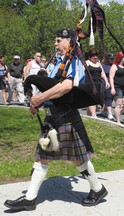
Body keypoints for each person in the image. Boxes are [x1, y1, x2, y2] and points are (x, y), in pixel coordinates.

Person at [4, 28, 108, 211]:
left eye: (58, 40)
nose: (55, 43)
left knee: (77, 159)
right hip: (52, 114)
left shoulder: (74, 61)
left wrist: (40, 98)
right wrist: (36, 103)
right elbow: (51, 89)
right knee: (42, 156)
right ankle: (30, 198)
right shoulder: (56, 63)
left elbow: (66, 86)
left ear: (69, 42)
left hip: (65, 114)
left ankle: (98, 189)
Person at [85, 49, 109, 117]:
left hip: (98, 84)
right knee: (92, 99)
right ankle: (93, 114)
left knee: (94, 99)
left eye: (96, 55)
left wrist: (106, 82)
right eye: (93, 56)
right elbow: (81, 72)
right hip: (89, 84)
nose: (95, 57)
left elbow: (102, 74)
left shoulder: (98, 64)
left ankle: (89, 115)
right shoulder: (86, 63)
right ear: (90, 56)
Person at [109, 51, 124, 124]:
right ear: (121, 58)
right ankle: (118, 121)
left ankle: (117, 114)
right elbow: (111, 77)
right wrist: (112, 88)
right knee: (118, 104)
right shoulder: (114, 66)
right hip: (117, 87)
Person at [101, 53, 115, 120]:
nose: (112, 60)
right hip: (105, 83)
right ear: (107, 59)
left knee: (111, 98)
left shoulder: (113, 66)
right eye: (110, 59)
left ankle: (104, 111)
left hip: (113, 84)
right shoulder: (103, 66)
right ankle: (110, 113)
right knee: (108, 97)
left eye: (113, 59)